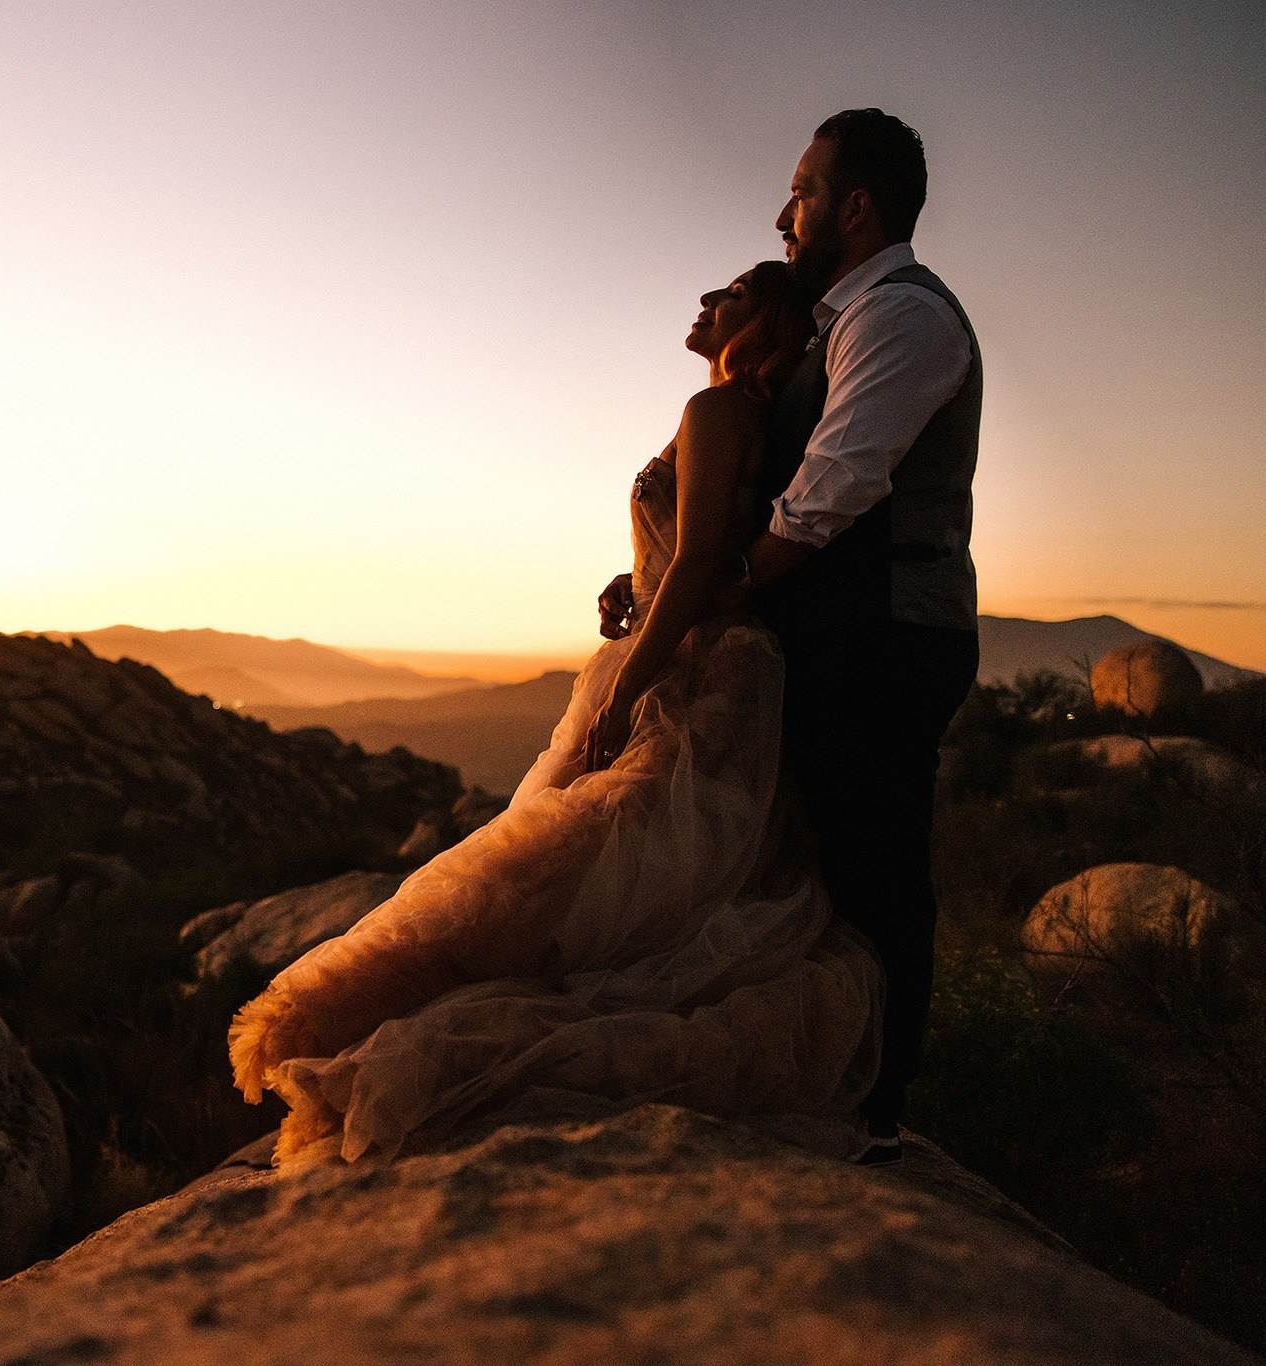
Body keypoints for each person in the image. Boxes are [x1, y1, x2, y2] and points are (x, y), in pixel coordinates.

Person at [228, 260, 887, 1170]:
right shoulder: (739, 418)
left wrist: (627, 683)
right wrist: (639, 575)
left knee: (582, 867)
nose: (703, 300)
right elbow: (697, 547)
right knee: (636, 877)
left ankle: (438, 1042)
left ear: (764, 318)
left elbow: (699, 566)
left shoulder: (715, 410)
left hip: (692, 669)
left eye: (727, 293)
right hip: (703, 652)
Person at [729, 109, 982, 1167]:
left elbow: (825, 498)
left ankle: (877, 1114)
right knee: (803, 867)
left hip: (882, 635)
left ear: (854, 204)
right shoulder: (825, 327)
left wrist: (704, 594)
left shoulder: (900, 316)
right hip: (825, 630)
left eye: (799, 190)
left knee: (872, 871)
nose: (782, 214)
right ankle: (812, 1081)